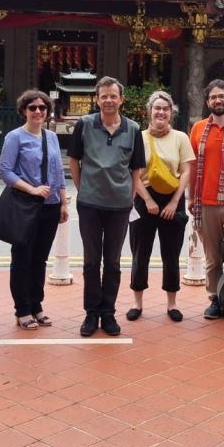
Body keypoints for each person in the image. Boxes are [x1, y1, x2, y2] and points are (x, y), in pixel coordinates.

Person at [68, 77, 146, 337]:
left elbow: (137, 167)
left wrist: (131, 194)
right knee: (91, 261)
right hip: (90, 203)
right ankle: (91, 313)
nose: (109, 100)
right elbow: (74, 160)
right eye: (104, 96)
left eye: (113, 96)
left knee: (112, 261)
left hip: (119, 205)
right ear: (97, 99)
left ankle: (108, 312)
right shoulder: (85, 124)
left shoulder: (133, 128)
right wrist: (83, 190)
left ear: (121, 99)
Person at [0, 89, 68, 330]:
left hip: (49, 206)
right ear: (23, 111)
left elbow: (58, 170)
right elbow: (6, 172)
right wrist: (32, 189)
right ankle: (22, 309)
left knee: (40, 259)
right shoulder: (15, 137)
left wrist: (62, 201)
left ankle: (37, 305)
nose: (38, 111)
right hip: (25, 206)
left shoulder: (51, 137)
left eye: (42, 108)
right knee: (22, 258)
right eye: (33, 108)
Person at [127, 90, 194, 323]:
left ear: (171, 113)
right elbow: (133, 173)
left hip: (173, 199)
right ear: (149, 111)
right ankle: (137, 303)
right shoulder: (138, 137)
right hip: (143, 198)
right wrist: (147, 200)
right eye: (157, 108)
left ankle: (172, 304)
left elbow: (186, 171)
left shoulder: (180, 138)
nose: (161, 112)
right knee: (140, 252)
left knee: (171, 254)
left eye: (165, 109)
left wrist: (175, 202)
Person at [189, 79, 224, 320]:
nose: (218, 100)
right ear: (207, 101)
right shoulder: (198, 128)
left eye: (222, 96)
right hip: (206, 202)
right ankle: (214, 299)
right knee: (212, 259)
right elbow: (191, 166)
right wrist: (192, 197)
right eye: (213, 97)